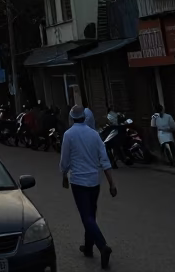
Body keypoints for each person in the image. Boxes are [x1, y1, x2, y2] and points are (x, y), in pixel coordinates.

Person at [60, 105, 117, 269]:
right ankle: (88, 247)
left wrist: (64, 174)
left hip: (78, 181)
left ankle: (102, 246)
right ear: (85, 118)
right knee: (90, 214)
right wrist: (112, 183)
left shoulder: (69, 134)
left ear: (71, 117)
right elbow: (105, 160)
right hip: (94, 181)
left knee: (86, 216)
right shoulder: (95, 135)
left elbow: (65, 159)